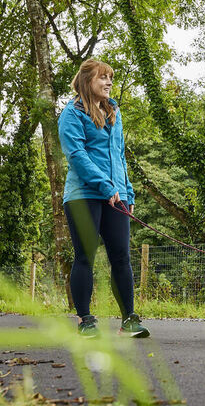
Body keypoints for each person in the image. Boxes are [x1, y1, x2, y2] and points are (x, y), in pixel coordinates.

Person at [58, 58, 150, 338]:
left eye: (110, 78)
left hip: (116, 194)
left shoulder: (113, 112)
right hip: (84, 193)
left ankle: (129, 320)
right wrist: (105, 185)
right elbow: (77, 156)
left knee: (121, 256)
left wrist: (127, 190)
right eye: (103, 78)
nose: (109, 82)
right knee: (85, 256)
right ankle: (85, 320)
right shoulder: (71, 114)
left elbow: (119, 155)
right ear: (87, 81)